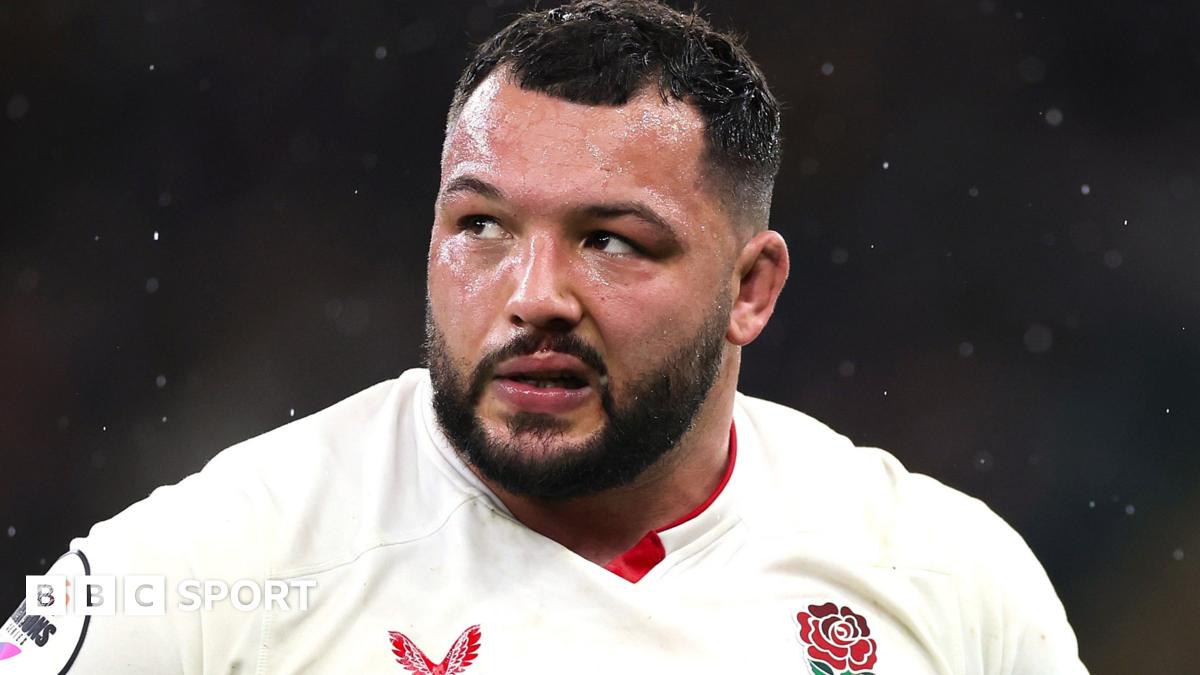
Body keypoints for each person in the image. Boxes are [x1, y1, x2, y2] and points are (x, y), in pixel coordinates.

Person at [2, 1, 1088, 673]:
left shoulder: (948, 576)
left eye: (611, 243)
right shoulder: (207, 571)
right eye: (482, 226)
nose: (534, 296)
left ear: (751, 290)